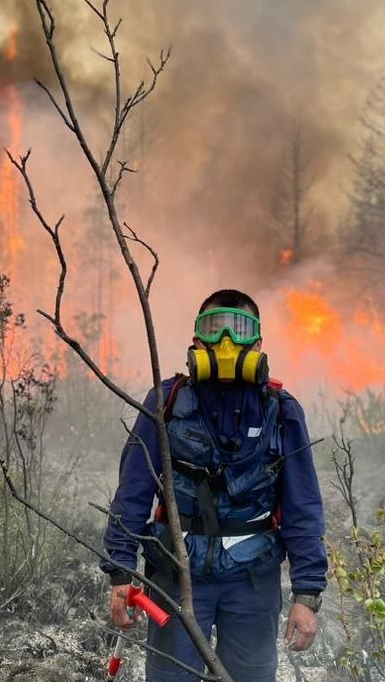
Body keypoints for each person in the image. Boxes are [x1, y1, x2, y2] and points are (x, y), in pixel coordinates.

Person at [101, 288, 328, 681]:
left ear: (257, 343)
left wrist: (306, 594)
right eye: (214, 329)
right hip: (177, 573)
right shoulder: (166, 403)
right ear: (196, 340)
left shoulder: (281, 411)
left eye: (238, 331)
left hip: (252, 582)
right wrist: (121, 573)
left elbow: (302, 507)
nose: (226, 342)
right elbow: (133, 493)